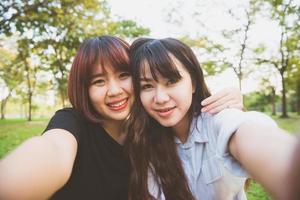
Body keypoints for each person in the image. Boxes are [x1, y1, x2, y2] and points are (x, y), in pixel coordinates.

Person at [0, 36, 244, 200]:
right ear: (84, 89)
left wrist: (231, 103)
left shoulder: (153, 130)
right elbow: (52, 149)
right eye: (99, 81)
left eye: (123, 75)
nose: (114, 90)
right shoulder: (72, 123)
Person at [126, 37, 296, 200]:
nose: (160, 98)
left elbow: (248, 132)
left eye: (171, 81)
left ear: (193, 83)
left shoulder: (217, 119)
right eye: (147, 86)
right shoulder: (143, 141)